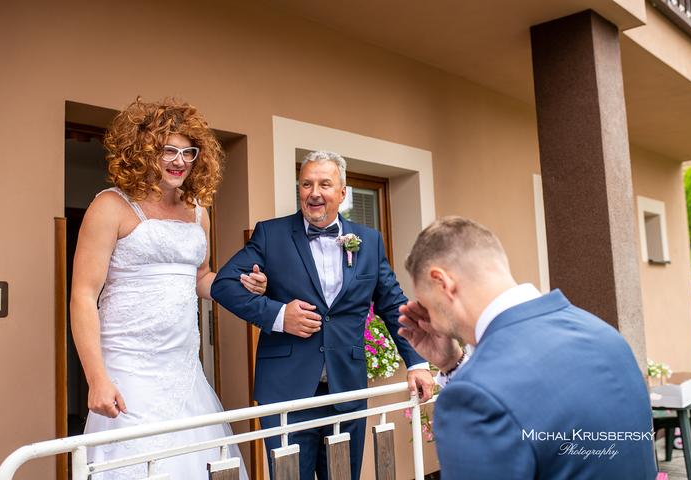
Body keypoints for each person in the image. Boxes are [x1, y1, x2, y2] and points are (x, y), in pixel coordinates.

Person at [211, 150, 435, 480]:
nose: (314, 192)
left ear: (342, 193)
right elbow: (223, 285)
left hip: (346, 389)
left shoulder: (369, 241)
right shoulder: (271, 235)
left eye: (324, 184)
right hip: (286, 394)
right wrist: (278, 315)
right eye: (306, 184)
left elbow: (392, 304)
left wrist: (416, 363)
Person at [70, 98, 263, 479]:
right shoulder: (110, 207)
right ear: (143, 151)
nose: (180, 161)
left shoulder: (198, 212)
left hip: (183, 368)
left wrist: (239, 284)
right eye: (168, 151)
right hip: (127, 367)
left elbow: (200, 278)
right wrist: (96, 378)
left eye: (188, 153)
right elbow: (83, 296)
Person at [398, 216, 657, 480]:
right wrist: (451, 363)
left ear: (442, 282)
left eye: (425, 303)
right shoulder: (606, 336)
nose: (431, 320)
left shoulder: (472, 397)